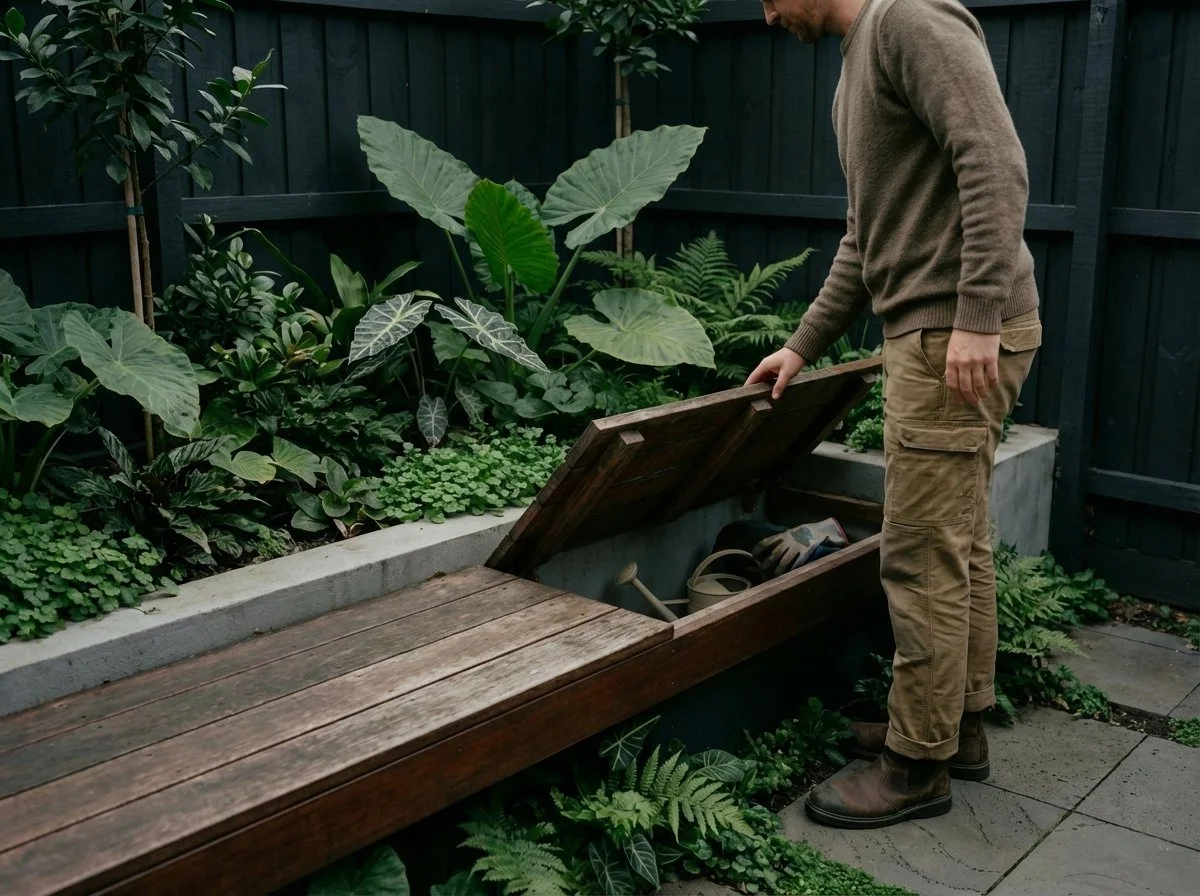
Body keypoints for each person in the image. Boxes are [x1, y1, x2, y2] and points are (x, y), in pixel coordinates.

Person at [746, 0, 1043, 830]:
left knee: (918, 555)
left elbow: (997, 159)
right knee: (959, 541)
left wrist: (978, 315)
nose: (767, 16)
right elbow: (864, 237)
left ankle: (916, 766)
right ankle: (958, 727)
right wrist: (803, 345)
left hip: (954, 331)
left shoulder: (911, 19)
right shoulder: (856, 65)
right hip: (936, 327)